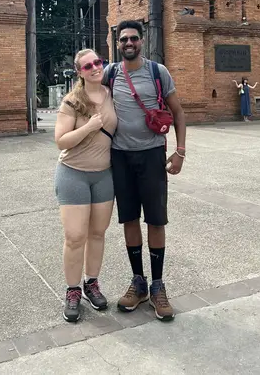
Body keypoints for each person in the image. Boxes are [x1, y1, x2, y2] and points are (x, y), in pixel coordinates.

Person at [103, 20, 186, 321]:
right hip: (120, 156)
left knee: (155, 219)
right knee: (129, 219)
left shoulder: (157, 72)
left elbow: (178, 111)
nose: (129, 43)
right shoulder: (110, 74)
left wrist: (180, 151)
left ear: (142, 41)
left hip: (152, 155)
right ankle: (138, 283)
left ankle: (158, 286)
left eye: (134, 38)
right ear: (117, 43)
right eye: (123, 39)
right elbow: (89, 100)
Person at [54, 49, 117, 323]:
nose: (95, 68)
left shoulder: (112, 94)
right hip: (74, 174)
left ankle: (92, 283)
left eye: (97, 62)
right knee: (75, 236)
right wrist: (89, 127)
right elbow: (61, 140)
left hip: (104, 175)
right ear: (80, 72)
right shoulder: (72, 101)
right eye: (88, 66)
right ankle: (72, 290)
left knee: (98, 233)